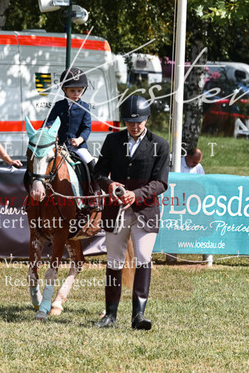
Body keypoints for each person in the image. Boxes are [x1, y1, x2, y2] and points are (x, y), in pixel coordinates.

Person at [93, 95, 170, 329]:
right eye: (129, 122)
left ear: (147, 119)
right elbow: (99, 173)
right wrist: (110, 185)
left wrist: (136, 194)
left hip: (145, 210)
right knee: (114, 260)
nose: (134, 126)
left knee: (143, 257)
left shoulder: (160, 144)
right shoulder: (112, 140)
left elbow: (160, 183)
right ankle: (110, 315)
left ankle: (139, 316)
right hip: (116, 210)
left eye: (138, 122)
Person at [44, 67, 100, 205]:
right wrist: (46, 130)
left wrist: (79, 140)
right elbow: (49, 123)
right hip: (59, 146)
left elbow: (87, 128)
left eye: (79, 91)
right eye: (72, 91)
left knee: (91, 163)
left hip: (78, 147)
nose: (76, 94)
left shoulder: (85, 107)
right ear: (65, 90)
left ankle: (93, 193)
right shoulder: (58, 106)